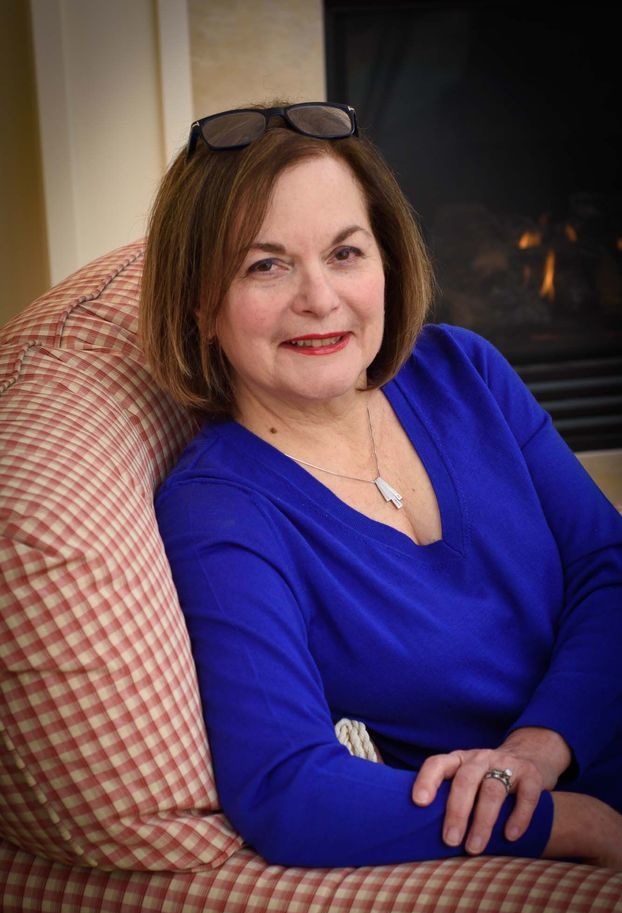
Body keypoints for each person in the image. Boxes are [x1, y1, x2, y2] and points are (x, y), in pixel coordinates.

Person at [139, 101, 622, 869]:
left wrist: (537, 749)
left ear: (386, 260)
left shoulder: (463, 369)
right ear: (200, 303)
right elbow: (288, 787)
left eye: (345, 252)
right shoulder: (220, 511)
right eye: (266, 264)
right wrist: (565, 822)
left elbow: (608, 565)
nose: (319, 298)